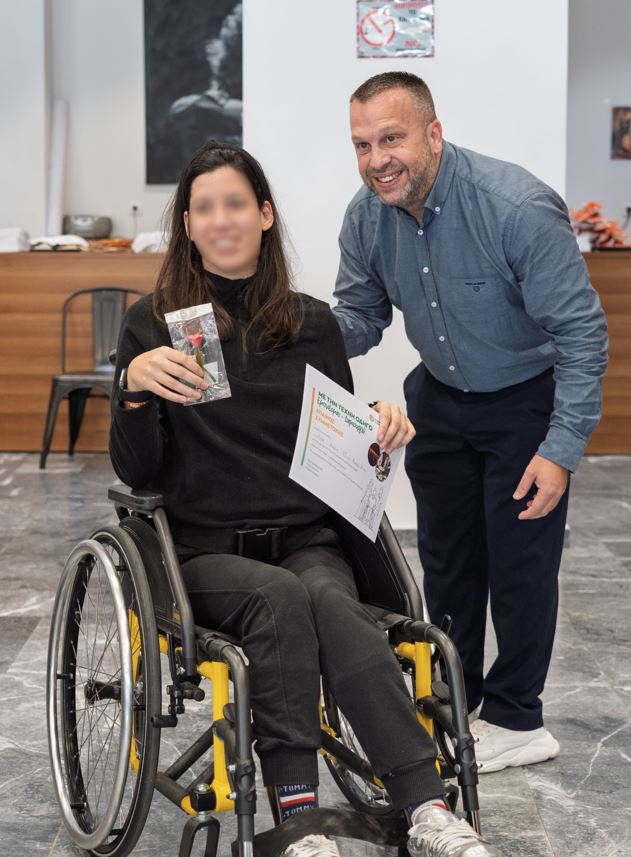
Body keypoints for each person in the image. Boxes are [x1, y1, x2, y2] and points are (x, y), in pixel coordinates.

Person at [110, 142, 503, 857]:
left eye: (236, 203)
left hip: (304, 539)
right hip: (201, 551)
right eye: (204, 208)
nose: (221, 219)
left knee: (329, 599)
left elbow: (334, 445)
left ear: (264, 215)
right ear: (188, 226)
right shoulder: (155, 324)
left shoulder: (311, 323)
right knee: (280, 598)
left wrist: (378, 424)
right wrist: (132, 387)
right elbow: (140, 471)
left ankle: (426, 807)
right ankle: (298, 820)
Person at [333, 72, 608, 774]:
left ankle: (518, 719)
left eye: (390, 138)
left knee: (519, 565)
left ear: (433, 134)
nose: (376, 160)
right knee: (448, 564)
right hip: (439, 399)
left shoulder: (514, 207)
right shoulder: (366, 216)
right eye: (362, 144)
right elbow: (360, 314)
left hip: (524, 400)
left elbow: (582, 335)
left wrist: (560, 448)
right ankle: (458, 704)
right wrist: (285, 334)